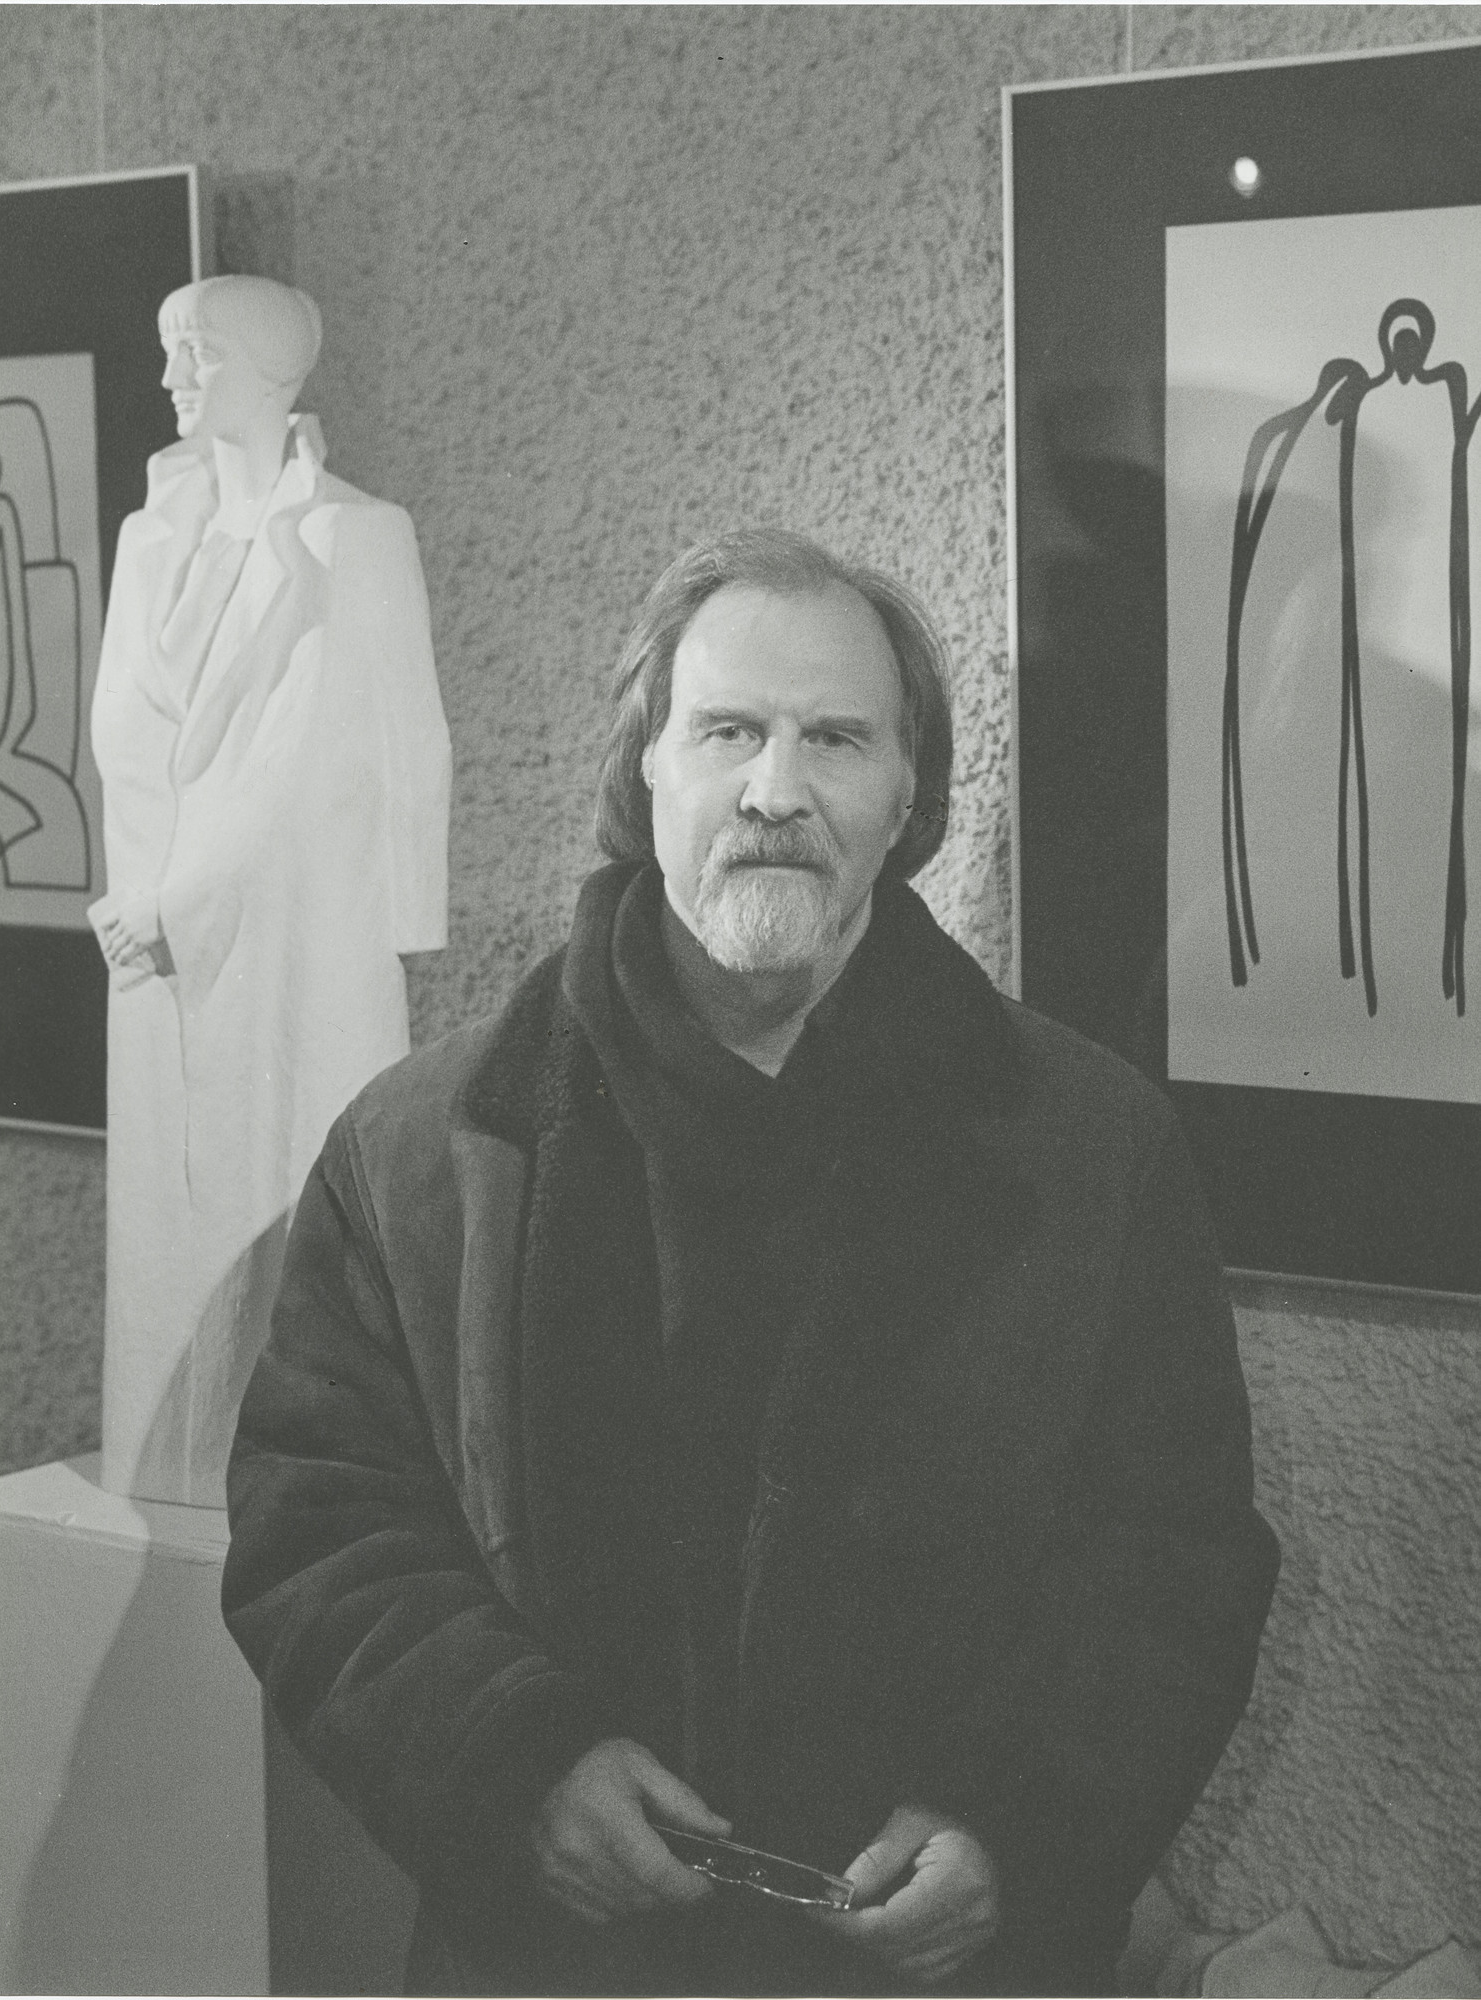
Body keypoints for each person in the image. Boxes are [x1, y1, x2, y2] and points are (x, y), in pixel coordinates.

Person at [223, 527, 1279, 1995]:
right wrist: (514, 1761)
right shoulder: (425, 1148)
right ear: (643, 767)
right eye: (727, 730)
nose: (775, 790)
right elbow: (320, 1520)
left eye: (835, 738)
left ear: (908, 794)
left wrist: (1019, 1822)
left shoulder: (1088, 1149)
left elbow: (1170, 1553)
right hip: (547, 1965)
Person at [90, 276, 451, 1506]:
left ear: (268, 369)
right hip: (160, 947)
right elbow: (126, 733)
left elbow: (346, 747)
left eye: (193, 354)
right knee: (173, 1223)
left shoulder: (356, 535)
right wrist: (139, 892)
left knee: (291, 1207)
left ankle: (291, 1479)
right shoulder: (152, 540)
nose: (170, 379)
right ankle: (174, 1460)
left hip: (296, 934)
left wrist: (173, 899)